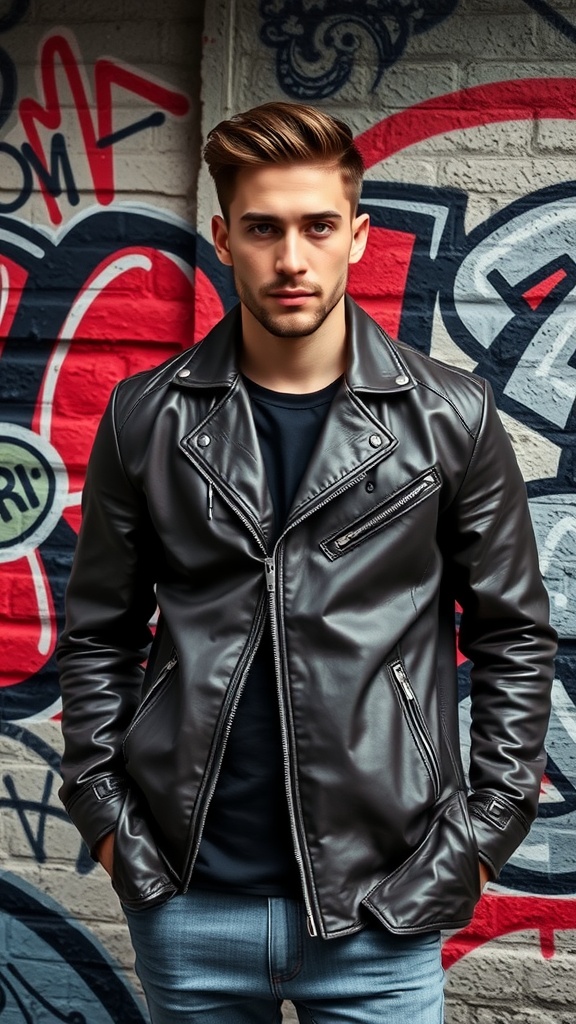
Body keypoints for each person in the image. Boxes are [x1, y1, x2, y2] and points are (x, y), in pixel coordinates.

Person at [57, 102, 556, 1024]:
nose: (293, 259)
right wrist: (106, 821)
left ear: (358, 236)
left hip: (384, 909)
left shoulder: (451, 417)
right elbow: (98, 637)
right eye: (264, 229)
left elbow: (515, 639)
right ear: (223, 238)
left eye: (318, 226)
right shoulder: (146, 417)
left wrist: (481, 839)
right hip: (188, 902)